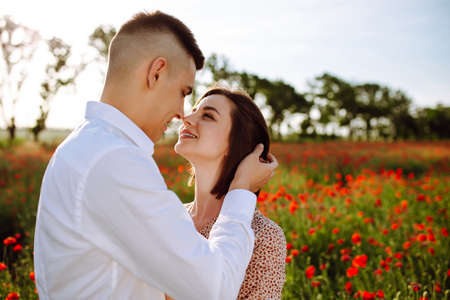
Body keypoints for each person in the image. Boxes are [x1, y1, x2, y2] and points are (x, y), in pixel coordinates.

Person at [33, 11, 278, 300]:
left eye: (206, 114)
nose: (182, 113)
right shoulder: (115, 160)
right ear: (156, 72)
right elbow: (213, 289)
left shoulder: (84, 147)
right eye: (183, 92)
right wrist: (241, 192)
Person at [165, 88, 286, 300]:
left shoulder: (263, 236)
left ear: (235, 143)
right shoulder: (167, 216)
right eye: (194, 110)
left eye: (208, 116)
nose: (186, 118)